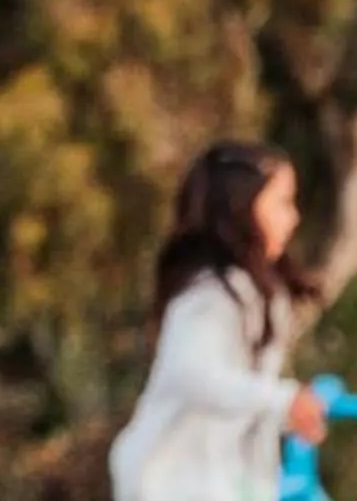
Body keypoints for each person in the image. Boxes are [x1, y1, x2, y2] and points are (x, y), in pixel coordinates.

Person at [108, 141, 324, 501]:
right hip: (166, 486)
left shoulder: (262, 293)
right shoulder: (209, 295)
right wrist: (283, 399)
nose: (294, 218)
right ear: (242, 207)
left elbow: (241, 403)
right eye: (283, 203)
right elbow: (195, 375)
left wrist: (286, 414)